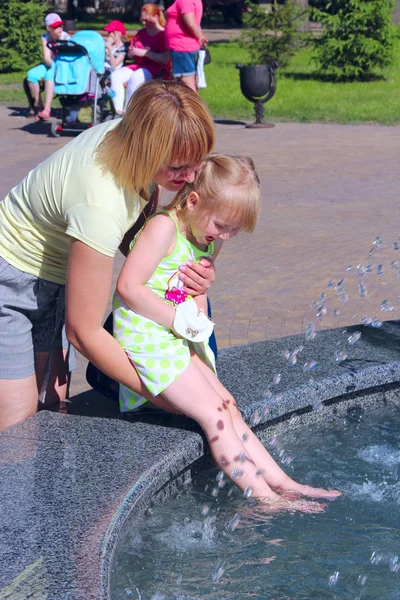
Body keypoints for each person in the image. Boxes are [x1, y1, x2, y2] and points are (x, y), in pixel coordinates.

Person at [113, 154, 342, 511]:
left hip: (173, 334)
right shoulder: (164, 228)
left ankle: (285, 483)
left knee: (228, 406)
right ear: (193, 201)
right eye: (223, 226)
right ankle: (265, 498)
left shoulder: (206, 236)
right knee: (213, 415)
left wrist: (197, 316)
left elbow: (190, 293)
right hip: (147, 335)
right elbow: (128, 286)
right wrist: (179, 322)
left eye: (235, 230)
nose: (226, 236)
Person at [0, 80, 215, 432]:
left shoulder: (132, 132)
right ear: (146, 149)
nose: (190, 178)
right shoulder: (100, 201)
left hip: (57, 273)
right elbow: (83, 333)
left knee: (53, 403)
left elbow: (138, 237)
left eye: (196, 164)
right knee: (17, 426)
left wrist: (192, 273)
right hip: (9, 280)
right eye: (178, 168)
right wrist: (171, 396)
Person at [110, 4, 171, 116]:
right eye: (142, 20)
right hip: (139, 65)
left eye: (146, 20)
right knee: (115, 76)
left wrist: (145, 53)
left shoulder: (163, 34)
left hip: (157, 68)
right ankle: (117, 111)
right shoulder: (141, 33)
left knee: (136, 76)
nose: (143, 23)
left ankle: (129, 113)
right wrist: (132, 52)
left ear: (156, 16)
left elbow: (165, 59)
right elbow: (132, 53)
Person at [26, 13, 71, 119]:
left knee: (49, 74)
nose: (59, 29)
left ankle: (47, 109)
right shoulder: (45, 37)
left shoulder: (66, 38)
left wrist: (54, 66)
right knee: (31, 74)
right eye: (56, 27)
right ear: (48, 28)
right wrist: (52, 64)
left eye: (60, 25)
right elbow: (46, 57)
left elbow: (67, 60)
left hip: (62, 67)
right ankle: (39, 105)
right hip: (50, 64)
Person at [165, 0, 207, 91]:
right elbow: (195, 24)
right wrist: (200, 37)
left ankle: (193, 105)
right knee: (187, 82)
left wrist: (200, 37)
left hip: (182, 47)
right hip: (183, 47)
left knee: (186, 82)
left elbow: (191, 23)